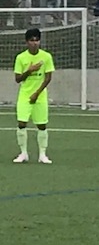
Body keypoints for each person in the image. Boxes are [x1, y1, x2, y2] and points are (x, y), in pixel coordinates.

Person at [13, 28, 55, 164]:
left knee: (42, 125)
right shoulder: (21, 58)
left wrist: (37, 93)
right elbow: (18, 79)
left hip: (40, 96)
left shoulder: (46, 56)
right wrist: (29, 70)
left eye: (37, 40)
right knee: (21, 123)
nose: (35, 43)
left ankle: (42, 154)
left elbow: (48, 78)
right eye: (32, 40)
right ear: (27, 42)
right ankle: (23, 153)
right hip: (25, 95)